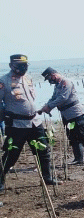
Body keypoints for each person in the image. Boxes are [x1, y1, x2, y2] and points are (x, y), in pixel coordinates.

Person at [0, 54, 61, 192]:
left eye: (25, 66)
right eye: (19, 66)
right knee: (11, 154)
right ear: (11, 66)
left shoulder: (28, 79)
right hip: (16, 124)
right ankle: (0, 182)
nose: (23, 69)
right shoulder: (4, 81)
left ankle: (47, 178)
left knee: (43, 150)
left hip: (34, 122)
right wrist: (3, 117)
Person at [37, 68, 84, 166]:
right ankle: (78, 159)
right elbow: (54, 98)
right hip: (66, 115)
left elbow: (63, 98)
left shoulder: (66, 82)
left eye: (49, 78)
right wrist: (45, 106)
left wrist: (49, 106)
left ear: (53, 75)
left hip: (76, 113)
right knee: (72, 137)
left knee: (83, 136)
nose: (50, 81)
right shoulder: (57, 86)